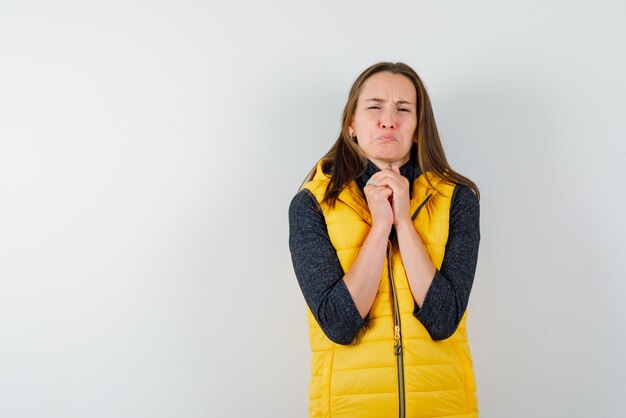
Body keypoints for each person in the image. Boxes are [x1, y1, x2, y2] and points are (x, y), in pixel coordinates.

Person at [288, 62, 481, 418]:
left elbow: (443, 320)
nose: (388, 120)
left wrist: (404, 222)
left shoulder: (458, 199)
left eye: (403, 109)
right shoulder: (312, 204)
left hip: (443, 408)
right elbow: (340, 325)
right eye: (374, 106)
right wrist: (379, 228)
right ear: (351, 125)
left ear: (419, 128)